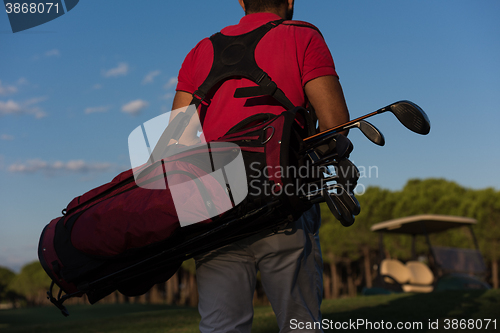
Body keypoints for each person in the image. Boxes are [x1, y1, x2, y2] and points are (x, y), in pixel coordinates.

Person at [171, 1, 350, 332]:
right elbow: (335, 125)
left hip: (214, 208)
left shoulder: (200, 51)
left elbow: (175, 145)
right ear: (291, 0)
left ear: (241, 1)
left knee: (221, 327)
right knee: (300, 324)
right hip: (283, 200)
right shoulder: (303, 36)